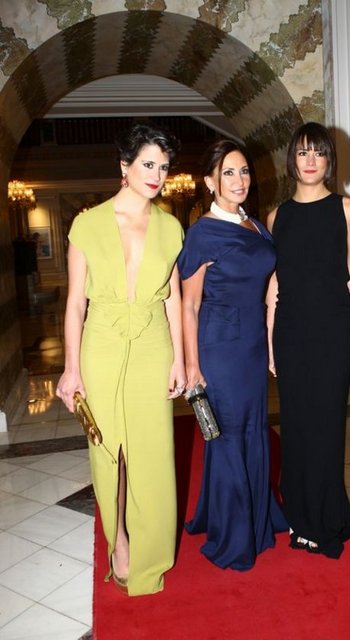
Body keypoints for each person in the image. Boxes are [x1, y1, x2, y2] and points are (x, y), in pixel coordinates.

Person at [56, 123, 186, 596]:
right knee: (109, 449)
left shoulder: (171, 227)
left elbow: (173, 298)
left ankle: (151, 553)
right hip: (102, 344)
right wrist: (71, 367)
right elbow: (75, 302)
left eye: (164, 167)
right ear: (124, 165)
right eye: (148, 164)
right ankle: (121, 542)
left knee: (153, 450)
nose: (157, 175)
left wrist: (180, 359)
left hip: (153, 343)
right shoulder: (87, 224)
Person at [177, 139, 288, 571]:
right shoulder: (203, 233)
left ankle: (255, 515)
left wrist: (273, 343)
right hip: (220, 346)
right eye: (228, 172)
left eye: (243, 171)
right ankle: (234, 533)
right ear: (209, 181)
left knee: (253, 429)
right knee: (226, 434)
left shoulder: (255, 225)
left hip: (253, 343)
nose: (239, 180)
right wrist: (191, 365)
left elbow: (271, 286)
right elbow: (189, 304)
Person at [267, 121, 350, 559]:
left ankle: (326, 520)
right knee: (295, 427)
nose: (311, 161)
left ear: (330, 160)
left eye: (319, 152)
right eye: (303, 152)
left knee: (326, 427)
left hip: (334, 332)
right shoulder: (277, 217)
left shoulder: (348, 210)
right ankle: (300, 515)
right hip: (290, 333)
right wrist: (270, 341)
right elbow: (274, 284)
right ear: (292, 159)